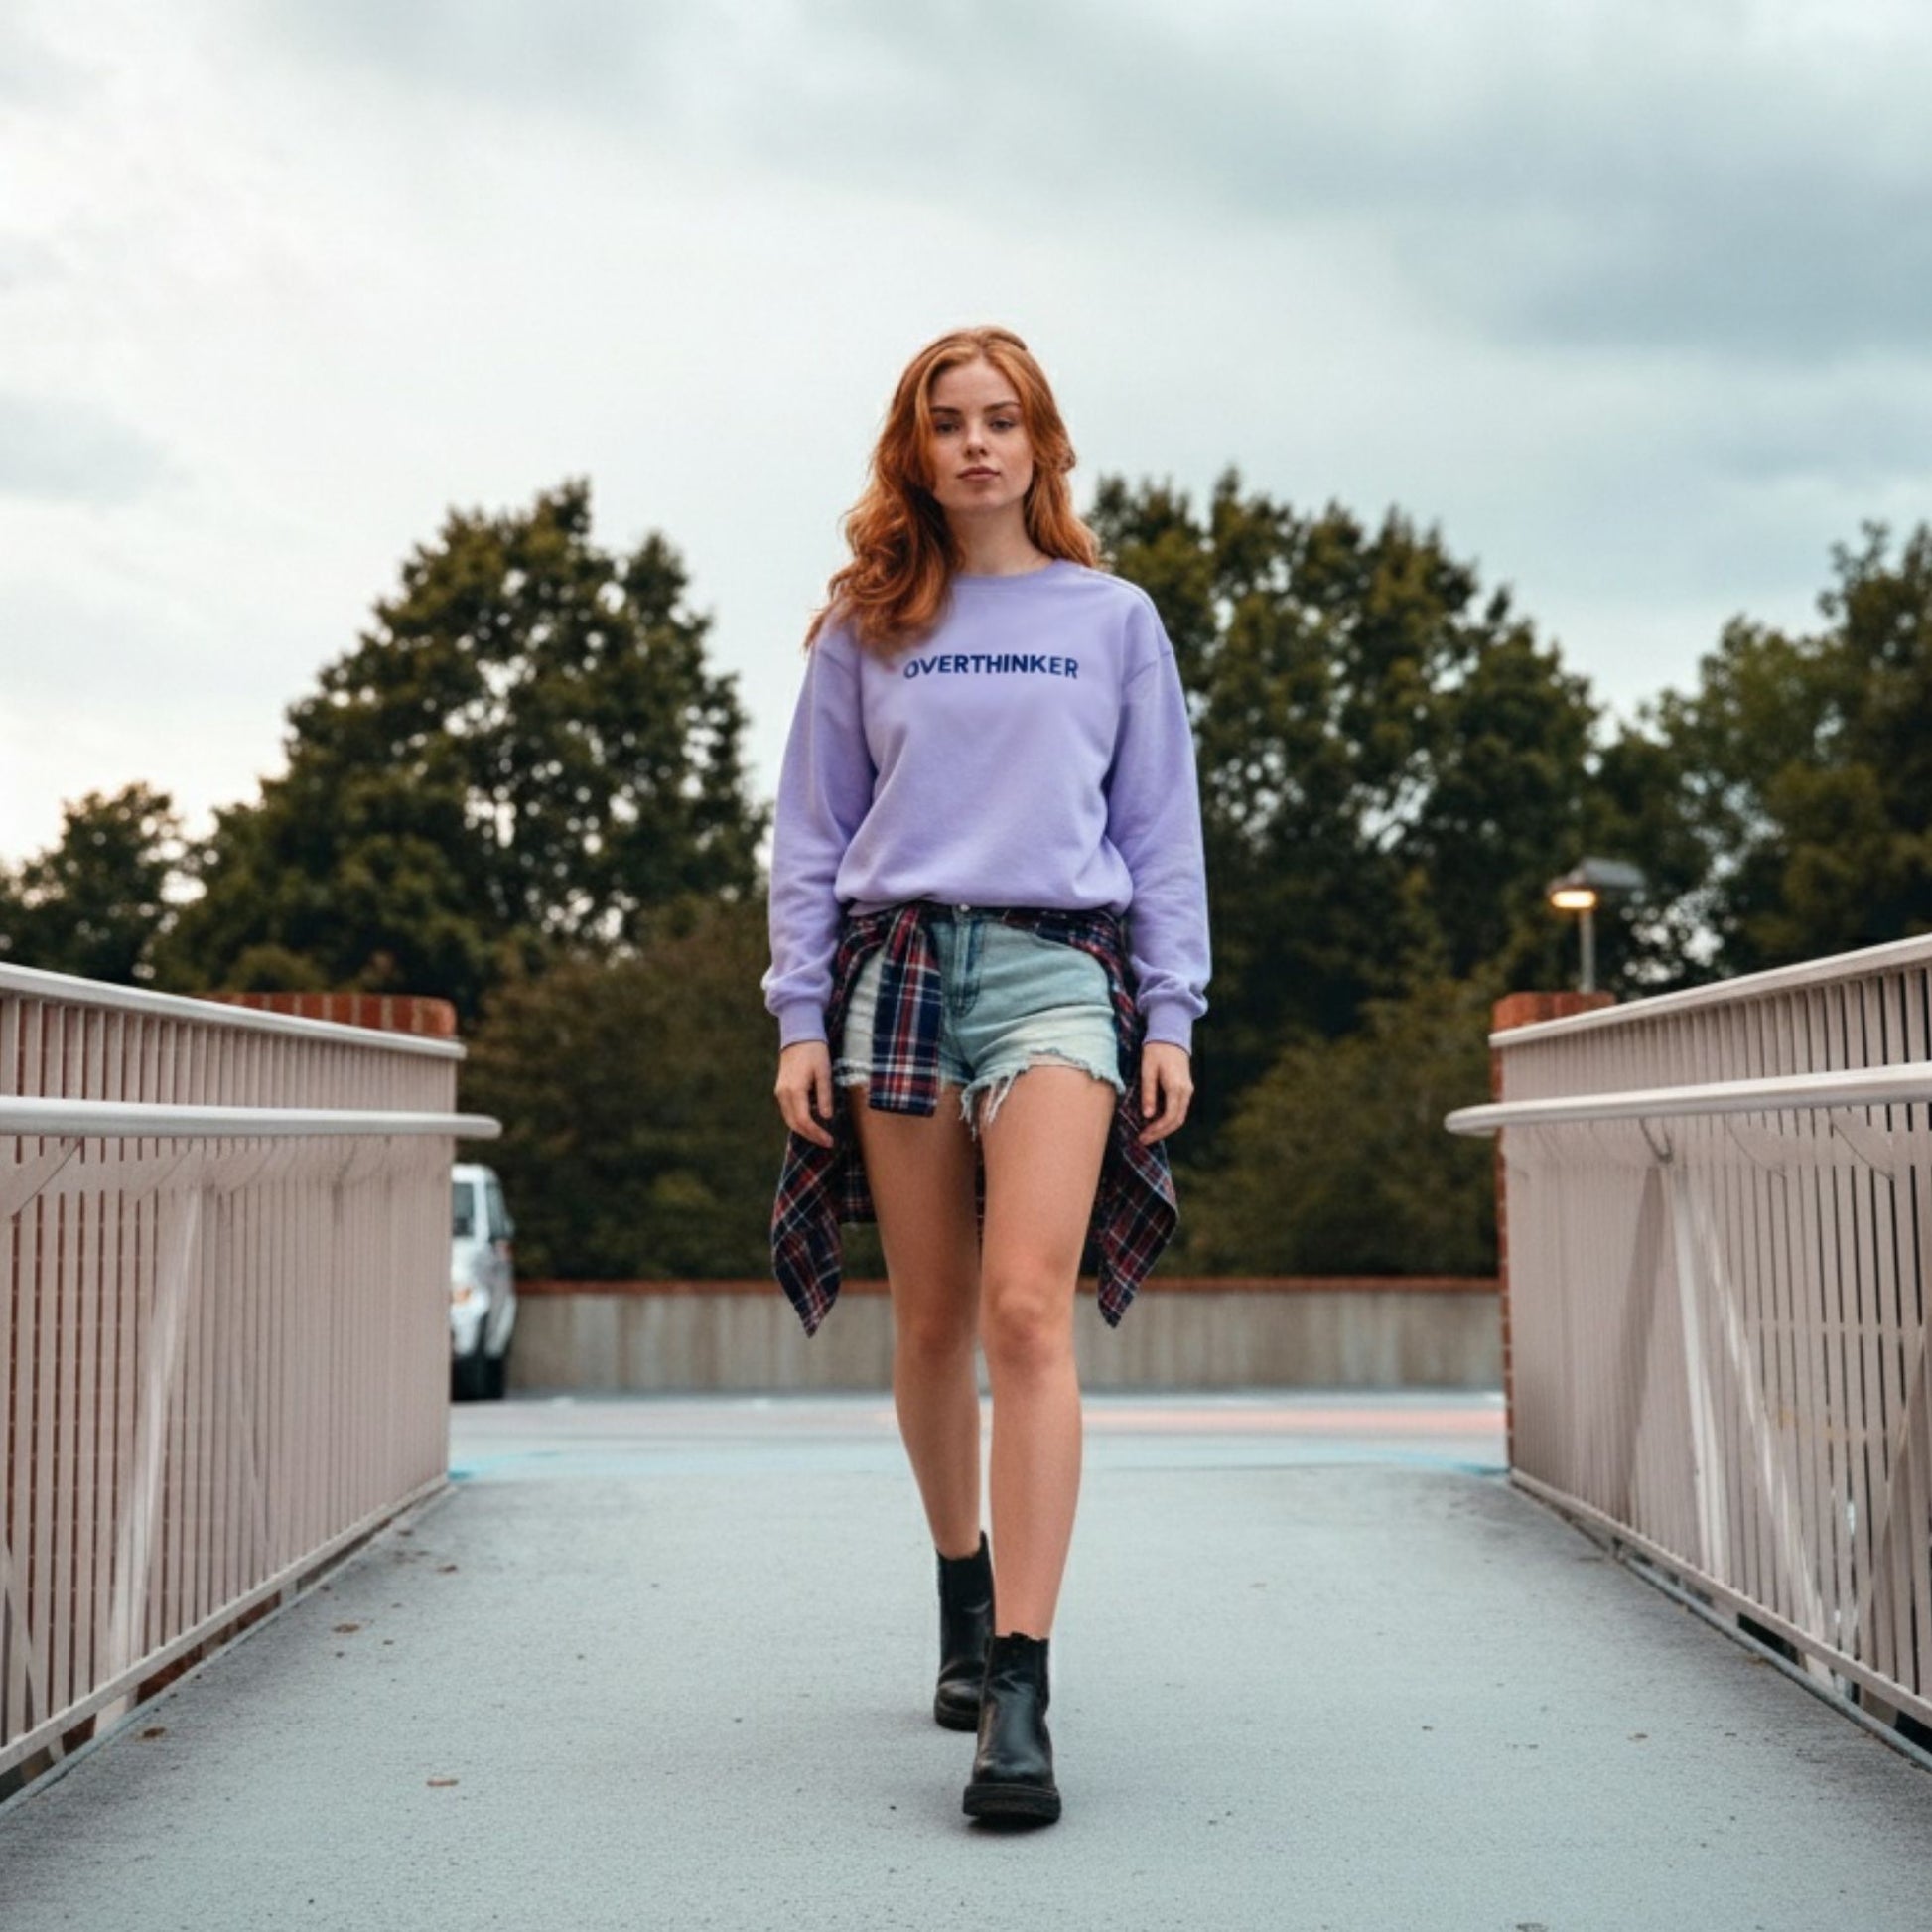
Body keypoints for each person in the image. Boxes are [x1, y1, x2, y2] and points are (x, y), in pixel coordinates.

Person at [760, 324, 1210, 1828]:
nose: (974, 444)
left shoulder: (1112, 618)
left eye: (999, 419)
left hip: (1055, 974)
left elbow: (1158, 833)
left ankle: (1017, 1677)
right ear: (915, 447)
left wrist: (1170, 1013)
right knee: (935, 1316)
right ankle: (961, 1576)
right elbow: (810, 841)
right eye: (946, 421)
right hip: (897, 975)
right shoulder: (865, 626)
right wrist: (796, 1019)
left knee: (1028, 1307)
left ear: (1041, 444)